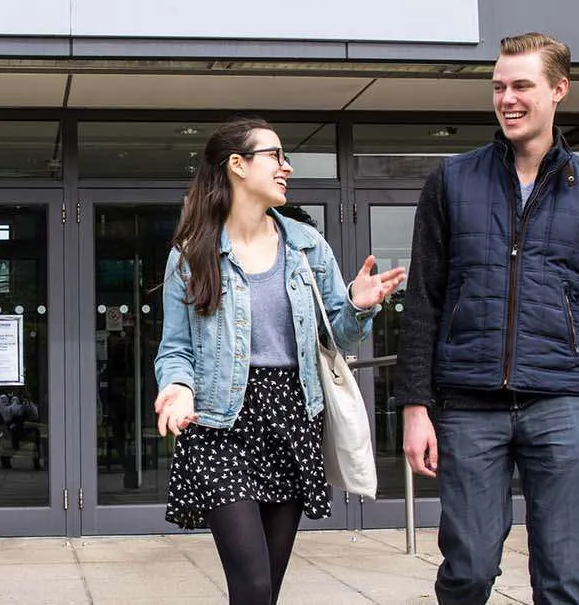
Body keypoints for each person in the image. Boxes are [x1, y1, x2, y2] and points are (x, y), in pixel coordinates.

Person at [395, 32, 579, 605]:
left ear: (558, 90)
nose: (507, 98)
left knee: (560, 580)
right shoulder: (451, 181)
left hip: (559, 405)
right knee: (469, 570)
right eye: (499, 86)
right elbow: (424, 301)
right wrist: (414, 405)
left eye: (522, 85)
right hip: (469, 404)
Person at [154, 117, 406, 604]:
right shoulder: (192, 254)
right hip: (220, 422)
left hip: (291, 416)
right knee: (250, 583)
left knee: (267, 586)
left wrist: (358, 303)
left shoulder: (307, 246)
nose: (286, 166)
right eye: (274, 155)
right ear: (238, 166)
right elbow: (176, 348)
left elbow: (341, 334)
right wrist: (178, 387)